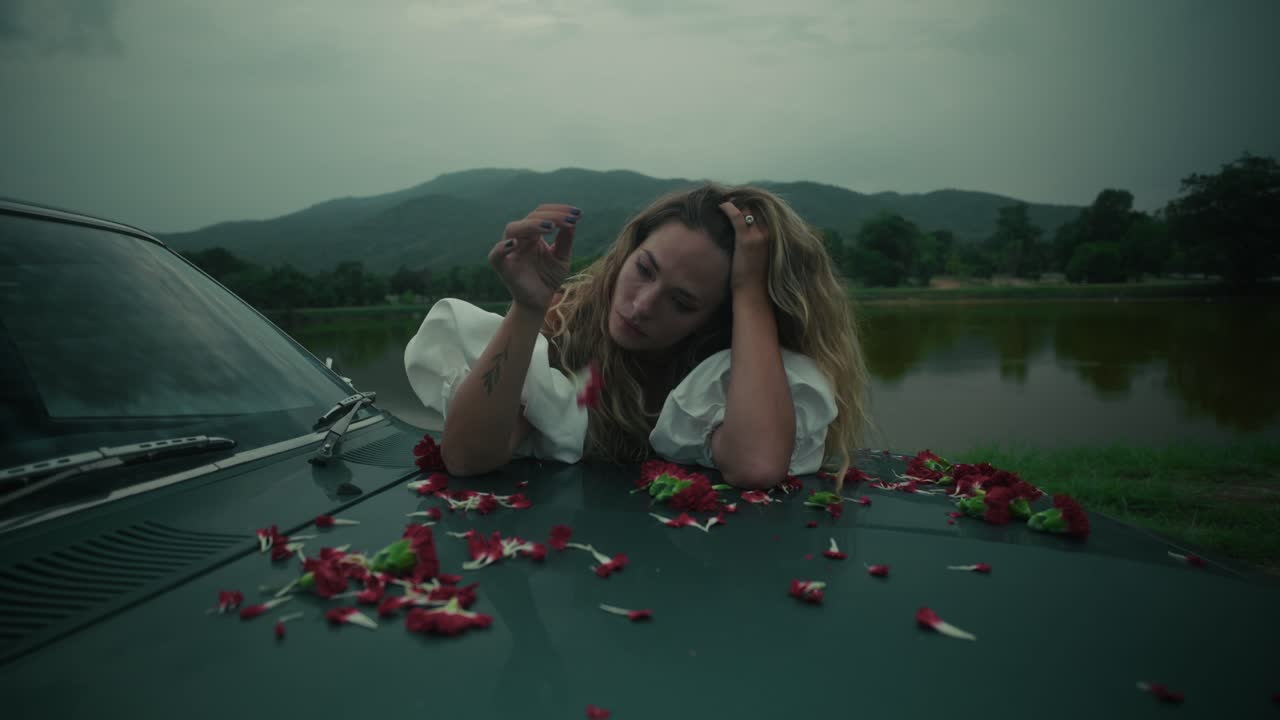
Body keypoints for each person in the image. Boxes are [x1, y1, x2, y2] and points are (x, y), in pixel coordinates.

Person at [404, 182, 873, 489]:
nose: (643, 304)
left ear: (716, 320)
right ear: (628, 250)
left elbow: (756, 465)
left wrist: (750, 294)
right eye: (644, 269)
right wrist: (527, 309)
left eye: (682, 302)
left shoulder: (729, 373)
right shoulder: (567, 330)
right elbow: (466, 457)